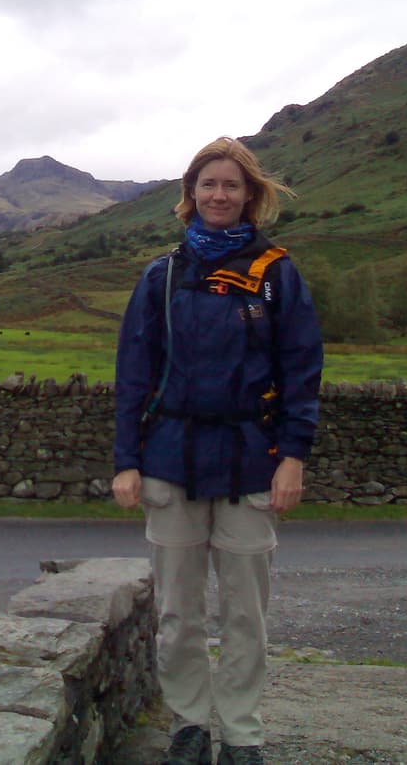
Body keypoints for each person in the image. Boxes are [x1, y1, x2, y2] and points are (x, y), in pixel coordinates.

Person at [112, 136, 323, 765]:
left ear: (251, 195)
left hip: (250, 460)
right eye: (209, 184)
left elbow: (302, 370)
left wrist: (294, 456)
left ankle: (242, 734)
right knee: (178, 613)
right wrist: (127, 459)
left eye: (232, 185)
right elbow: (133, 372)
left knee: (244, 617)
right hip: (170, 458)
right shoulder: (163, 274)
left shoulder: (276, 275)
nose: (219, 195)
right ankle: (189, 727)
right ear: (190, 194)